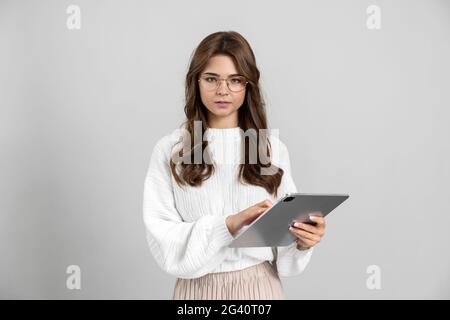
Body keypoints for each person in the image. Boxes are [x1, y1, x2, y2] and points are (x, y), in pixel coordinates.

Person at [142, 31, 326, 300]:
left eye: (235, 80)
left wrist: (303, 240)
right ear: (196, 82)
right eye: (211, 79)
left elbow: (284, 249)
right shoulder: (172, 150)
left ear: (249, 85)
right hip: (197, 292)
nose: (223, 90)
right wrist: (227, 225)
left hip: (260, 288)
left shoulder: (269, 149)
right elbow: (163, 237)